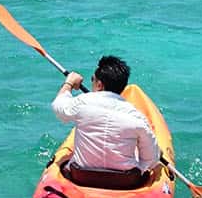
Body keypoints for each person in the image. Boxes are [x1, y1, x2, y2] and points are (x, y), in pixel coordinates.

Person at [51, 56, 161, 189]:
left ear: (99, 85)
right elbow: (151, 159)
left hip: (82, 177)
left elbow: (58, 107)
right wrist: (140, 165)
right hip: (125, 182)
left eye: (93, 79)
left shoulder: (82, 103)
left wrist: (68, 83)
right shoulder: (137, 117)